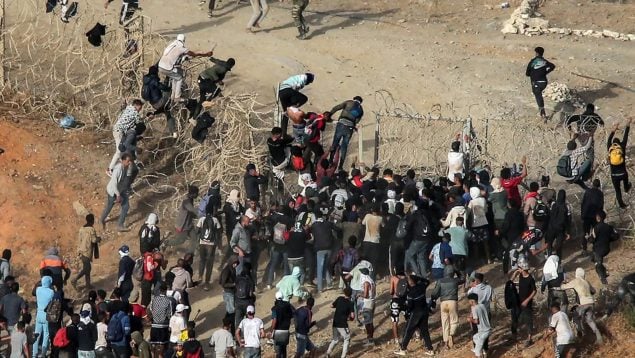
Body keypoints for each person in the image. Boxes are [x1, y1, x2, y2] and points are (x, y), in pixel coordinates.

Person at [158, 34, 213, 102]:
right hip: (167, 68)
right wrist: (206, 54)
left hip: (160, 66)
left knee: (176, 75)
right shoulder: (181, 48)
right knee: (179, 78)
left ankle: (173, 95)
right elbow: (194, 54)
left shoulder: (171, 45)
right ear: (184, 40)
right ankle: (177, 97)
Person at [394, 274, 434, 356]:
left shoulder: (411, 293)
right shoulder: (422, 287)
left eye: (409, 280)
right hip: (425, 311)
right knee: (425, 331)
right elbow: (427, 281)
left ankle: (403, 349)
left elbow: (409, 307)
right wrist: (416, 277)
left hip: (416, 313)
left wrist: (405, 308)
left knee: (409, 331)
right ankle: (430, 349)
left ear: (410, 282)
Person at [560, 267, 603, 344]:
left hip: (583, 304)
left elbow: (563, 287)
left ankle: (580, 335)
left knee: (575, 316)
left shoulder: (576, 281)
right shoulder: (586, 281)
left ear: (576, 274)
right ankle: (599, 338)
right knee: (590, 320)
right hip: (591, 303)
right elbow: (594, 291)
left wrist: (563, 283)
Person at [328, 96, 364, 171]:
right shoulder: (361, 110)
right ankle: (340, 166)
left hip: (341, 124)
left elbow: (336, 108)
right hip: (349, 128)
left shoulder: (348, 102)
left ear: (354, 99)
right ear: (360, 102)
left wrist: (329, 115)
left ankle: (330, 161)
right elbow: (356, 121)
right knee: (344, 147)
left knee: (335, 143)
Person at [100, 153, 134, 232]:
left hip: (120, 190)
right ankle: (101, 220)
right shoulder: (118, 169)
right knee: (109, 206)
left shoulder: (125, 167)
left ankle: (120, 225)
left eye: (130, 161)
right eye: (128, 161)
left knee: (125, 206)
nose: (130, 163)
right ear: (123, 161)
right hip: (113, 191)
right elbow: (114, 183)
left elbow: (125, 179)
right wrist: (118, 195)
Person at [108, 100, 142, 176]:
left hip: (118, 130)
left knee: (129, 144)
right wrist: (148, 118)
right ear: (136, 105)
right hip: (119, 132)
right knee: (120, 150)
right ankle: (110, 169)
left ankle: (134, 162)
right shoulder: (135, 113)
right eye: (140, 107)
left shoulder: (128, 108)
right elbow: (140, 123)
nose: (140, 109)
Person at [142, 65, 176, 138]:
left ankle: (173, 132)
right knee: (168, 90)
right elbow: (162, 87)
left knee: (168, 112)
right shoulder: (153, 80)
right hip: (160, 102)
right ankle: (177, 93)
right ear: (155, 72)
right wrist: (169, 89)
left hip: (154, 105)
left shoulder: (146, 80)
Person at [430, 266, 460, 349]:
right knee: (454, 321)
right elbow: (463, 278)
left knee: (445, 322)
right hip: (452, 302)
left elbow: (434, 293)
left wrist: (433, 299)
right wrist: (457, 270)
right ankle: (451, 334)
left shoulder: (440, 281)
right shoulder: (455, 280)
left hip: (443, 303)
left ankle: (446, 343)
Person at [525, 46, 555, 120]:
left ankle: (543, 115)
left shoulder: (533, 62)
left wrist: (533, 74)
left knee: (538, 97)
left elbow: (527, 73)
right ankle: (542, 113)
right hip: (544, 82)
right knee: (539, 96)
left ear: (536, 53)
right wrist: (545, 72)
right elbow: (552, 66)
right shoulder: (544, 61)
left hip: (536, 82)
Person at [197, 202, 222, 290]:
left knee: (202, 260)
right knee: (209, 263)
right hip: (211, 244)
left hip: (202, 243)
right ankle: (207, 283)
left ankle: (200, 278)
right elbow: (219, 233)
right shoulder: (215, 220)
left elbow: (198, 231)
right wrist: (219, 246)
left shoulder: (201, 219)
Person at [72, 214, 101, 290]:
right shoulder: (91, 229)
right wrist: (99, 239)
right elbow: (94, 240)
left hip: (81, 251)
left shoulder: (81, 228)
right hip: (87, 252)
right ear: (92, 221)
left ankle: (88, 285)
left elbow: (79, 240)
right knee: (87, 268)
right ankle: (75, 279)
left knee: (87, 268)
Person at [607, 118, 631, 208]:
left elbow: (609, 139)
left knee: (617, 191)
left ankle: (622, 205)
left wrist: (614, 129)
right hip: (623, 173)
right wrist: (628, 124)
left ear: (613, 144)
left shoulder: (610, 148)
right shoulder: (622, 147)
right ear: (619, 143)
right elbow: (626, 135)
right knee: (626, 181)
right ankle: (626, 188)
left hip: (614, 175)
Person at [512, 260, 536, 347]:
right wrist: (515, 274)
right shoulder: (520, 276)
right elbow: (510, 281)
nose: (519, 269)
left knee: (528, 319)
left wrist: (527, 300)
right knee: (516, 318)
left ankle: (529, 338)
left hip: (526, 303)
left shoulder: (530, 279)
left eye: (520, 268)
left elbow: (534, 291)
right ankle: (515, 336)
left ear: (523, 269)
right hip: (519, 301)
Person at [591, 210, 618, 285]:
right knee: (595, 260)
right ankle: (604, 271)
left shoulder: (596, 228)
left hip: (598, 249)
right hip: (606, 249)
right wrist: (609, 240)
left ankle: (604, 281)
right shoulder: (609, 227)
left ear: (598, 218)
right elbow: (616, 236)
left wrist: (587, 238)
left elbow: (592, 240)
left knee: (597, 264)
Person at [326, 287, 354, 358]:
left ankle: (328, 353)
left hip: (335, 323)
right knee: (347, 338)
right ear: (351, 294)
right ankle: (343, 356)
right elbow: (352, 316)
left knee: (335, 339)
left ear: (344, 293)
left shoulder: (339, 298)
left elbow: (331, 305)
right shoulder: (350, 303)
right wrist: (350, 319)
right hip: (343, 324)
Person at [149, 282, 174, 357]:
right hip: (163, 326)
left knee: (153, 343)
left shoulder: (154, 299)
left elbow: (151, 309)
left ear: (159, 290)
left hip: (154, 325)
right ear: (166, 290)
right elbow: (170, 314)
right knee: (162, 344)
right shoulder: (168, 301)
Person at [33, 276, 54, 358]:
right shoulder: (51, 292)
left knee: (36, 334)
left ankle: (34, 354)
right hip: (46, 314)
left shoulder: (38, 290)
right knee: (46, 334)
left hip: (39, 313)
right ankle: (43, 354)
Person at [581, 179, 604, 253]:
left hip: (587, 215)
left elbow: (583, 204)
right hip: (595, 216)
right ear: (599, 185)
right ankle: (595, 248)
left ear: (593, 184)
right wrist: (600, 216)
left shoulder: (587, 192)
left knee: (585, 232)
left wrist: (582, 214)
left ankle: (584, 248)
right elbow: (601, 205)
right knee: (596, 232)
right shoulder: (600, 193)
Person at [174, 185, 200, 249]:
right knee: (180, 241)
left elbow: (191, 213)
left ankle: (192, 252)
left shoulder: (190, 200)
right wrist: (202, 212)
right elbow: (192, 210)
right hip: (183, 226)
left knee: (194, 238)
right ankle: (166, 243)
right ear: (193, 194)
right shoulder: (186, 201)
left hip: (189, 225)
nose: (197, 195)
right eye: (196, 193)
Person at [270, 291, 294, 358]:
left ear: (276, 298)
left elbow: (274, 321)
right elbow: (292, 315)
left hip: (278, 331)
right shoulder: (288, 305)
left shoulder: (275, 308)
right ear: (283, 297)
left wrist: (271, 330)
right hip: (286, 330)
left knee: (278, 351)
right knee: (284, 350)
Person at [388, 267, 408, 345]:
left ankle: (396, 339)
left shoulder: (393, 278)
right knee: (409, 319)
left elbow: (391, 291)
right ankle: (417, 334)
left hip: (395, 301)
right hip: (404, 301)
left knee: (395, 320)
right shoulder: (406, 278)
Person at [467, 293, 491, 358]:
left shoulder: (474, 308)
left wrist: (470, 319)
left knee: (477, 352)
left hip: (483, 332)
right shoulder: (482, 305)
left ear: (472, 301)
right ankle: (483, 351)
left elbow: (476, 321)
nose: (468, 302)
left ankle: (481, 353)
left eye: (469, 301)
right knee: (475, 337)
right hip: (487, 329)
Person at [445, 216, 469, 281]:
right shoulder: (465, 231)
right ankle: (464, 281)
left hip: (453, 252)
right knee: (462, 269)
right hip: (463, 252)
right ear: (463, 223)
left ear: (456, 222)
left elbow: (441, 233)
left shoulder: (451, 230)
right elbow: (470, 236)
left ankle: (458, 280)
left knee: (455, 268)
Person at [234, 263, 256, 331]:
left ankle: (238, 336)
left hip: (238, 302)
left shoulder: (237, 278)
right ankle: (248, 334)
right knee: (249, 320)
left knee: (238, 320)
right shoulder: (250, 280)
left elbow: (235, 289)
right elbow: (250, 294)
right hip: (247, 303)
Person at [220, 257, 239, 333]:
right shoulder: (227, 270)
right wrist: (233, 284)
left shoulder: (232, 269)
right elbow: (223, 283)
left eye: (236, 263)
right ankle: (232, 330)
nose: (235, 265)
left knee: (229, 311)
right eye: (234, 263)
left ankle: (226, 325)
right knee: (232, 312)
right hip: (228, 293)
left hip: (231, 292)